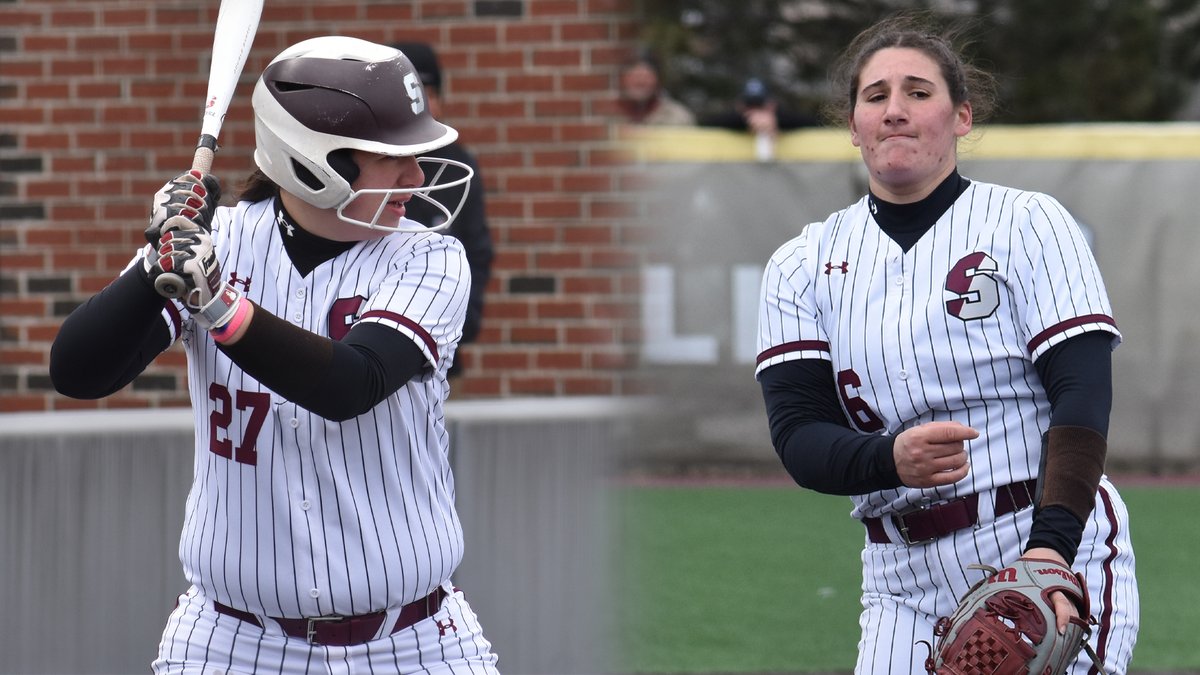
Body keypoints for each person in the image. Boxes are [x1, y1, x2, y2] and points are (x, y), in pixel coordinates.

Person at [49, 36, 499, 673]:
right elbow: (78, 372)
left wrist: (217, 306)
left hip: (412, 640)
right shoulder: (219, 244)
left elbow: (350, 384)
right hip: (230, 642)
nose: (417, 177)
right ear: (314, 163)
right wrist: (153, 265)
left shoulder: (429, 256)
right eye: (390, 158)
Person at [754, 13, 1137, 674]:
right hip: (899, 574)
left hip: (1037, 535)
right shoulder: (802, 263)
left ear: (961, 117)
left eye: (918, 92)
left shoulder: (1027, 222)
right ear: (853, 126)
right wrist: (887, 458)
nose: (895, 110)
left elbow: (1082, 391)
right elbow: (797, 435)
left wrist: (1051, 547)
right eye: (875, 97)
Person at [393, 41, 494, 372]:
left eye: (430, 94)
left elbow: (477, 250)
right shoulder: (364, 166)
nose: (424, 106)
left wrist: (463, 318)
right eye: (413, 96)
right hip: (372, 345)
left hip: (441, 351)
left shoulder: (459, 165)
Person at [618, 49, 696, 126]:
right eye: (634, 77)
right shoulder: (610, 116)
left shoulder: (679, 118)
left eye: (646, 77)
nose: (640, 83)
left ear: (658, 80)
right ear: (622, 80)